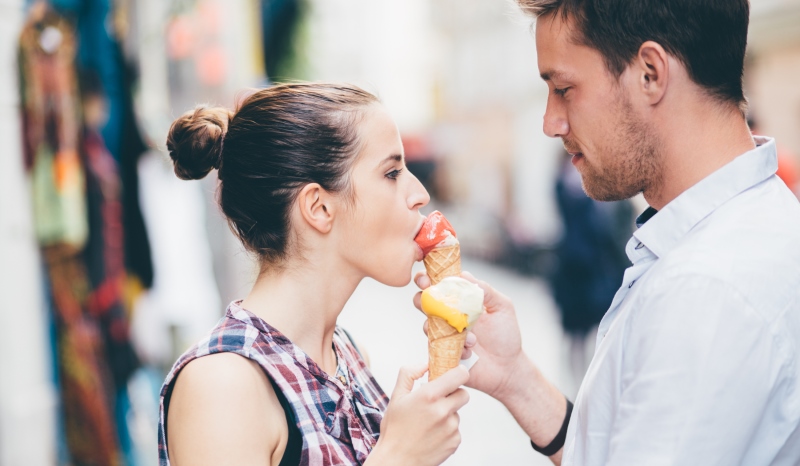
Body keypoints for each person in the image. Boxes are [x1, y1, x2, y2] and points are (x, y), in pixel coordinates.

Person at [414, 0, 800, 464]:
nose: (550, 122)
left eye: (563, 88)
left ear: (650, 74)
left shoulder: (706, 290)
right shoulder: (741, 231)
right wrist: (516, 377)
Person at [158, 83, 470, 466]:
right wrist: (397, 457)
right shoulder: (221, 384)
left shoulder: (350, 357)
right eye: (391, 173)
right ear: (319, 207)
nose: (420, 193)